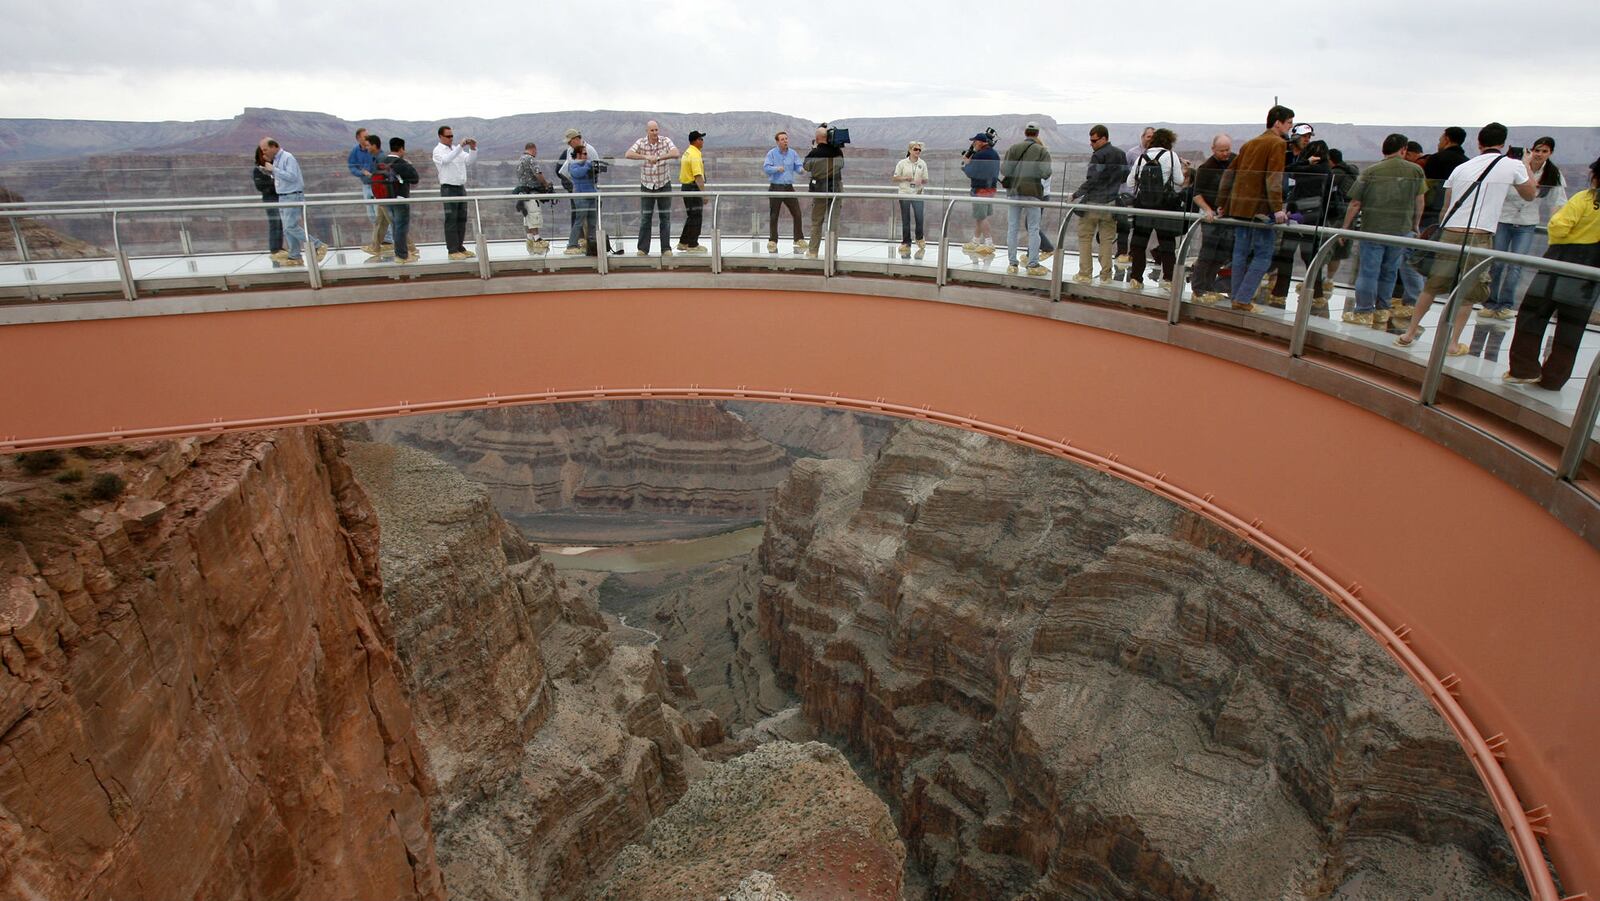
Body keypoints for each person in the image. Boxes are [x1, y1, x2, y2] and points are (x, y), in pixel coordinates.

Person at [1394, 122, 1537, 354]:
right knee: (1468, 293)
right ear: (1502, 144)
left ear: (1479, 143)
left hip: (1450, 232)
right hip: (1478, 236)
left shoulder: (1463, 167)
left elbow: (1446, 207)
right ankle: (1451, 343)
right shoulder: (1512, 165)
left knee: (1431, 286)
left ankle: (1409, 333)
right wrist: (1527, 165)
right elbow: (1531, 194)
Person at [1505, 157, 1600, 389]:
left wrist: (1562, 235)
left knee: (1533, 313)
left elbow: (1558, 226)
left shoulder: (1585, 199)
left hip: (1563, 260)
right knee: (1572, 324)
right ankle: (1554, 379)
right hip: (1592, 271)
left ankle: (1524, 369)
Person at [1338, 133, 1426, 326]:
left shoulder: (1371, 171)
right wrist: (1415, 225)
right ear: (1403, 149)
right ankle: (1382, 310)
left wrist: (1345, 227)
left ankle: (1363, 311)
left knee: (1369, 271)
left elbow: (1355, 203)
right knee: (1390, 271)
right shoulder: (1415, 171)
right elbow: (1420, 200)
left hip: (1373, 229)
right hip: (1401, 231)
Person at [1216, 105, 1294, 311]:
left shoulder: (1250, 144)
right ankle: (1243, 298)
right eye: (1289, 122)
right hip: (1260, 211)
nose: (1290, 127)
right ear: (1278, 122)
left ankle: (1237, 297)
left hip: (1239, 209)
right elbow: (1273, 177)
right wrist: (1277, 207)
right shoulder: (1276, 143)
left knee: (1240, 254)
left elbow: (1229, 175)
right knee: (1263, 255)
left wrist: (1222, 204)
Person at [1484, 136, 1567, 318]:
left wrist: (1557, 225)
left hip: (1527, 223)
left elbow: (1558, 201)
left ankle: (1506, 304)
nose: (1539, 154)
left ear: (1550, 153)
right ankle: (1490, 303)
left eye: (1544, 151)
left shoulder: (1553, 174)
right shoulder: (1516, 167)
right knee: (1496, 263)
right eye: (1537, 150)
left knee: (1516, 265)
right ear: (1531, 150)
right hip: (1504, 219)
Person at [1266, 138, 1334, 307]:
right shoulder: (1327, 170)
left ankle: (1280, 293)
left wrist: (1305, 162)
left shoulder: (1312, 169)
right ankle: (1316, 294)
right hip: (1312, 219)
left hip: (1297, 216)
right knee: (1309, 257)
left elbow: (1287, 169)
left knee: (1287, 255)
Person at [1124, 127, 1183, 290]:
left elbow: (1130, 182)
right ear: (1169, 142)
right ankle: (1168, 280)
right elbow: (1179, 180)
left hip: (1143, 204)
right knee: (1167, 243)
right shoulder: (1172, 156)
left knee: (1138, 243)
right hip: (1164, 206)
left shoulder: (1142, 157)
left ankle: (1136, 279)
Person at [258, 137, 326, 267]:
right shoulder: (277, 159)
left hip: (292, 196)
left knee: (291, 226)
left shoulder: (288, 157)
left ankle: (318, 245)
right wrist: (269, 172)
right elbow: (281, 177)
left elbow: (292, 176)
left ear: (274, 147)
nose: (264, 153)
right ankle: (295, 255)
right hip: (283, 196)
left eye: (265, 149)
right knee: (287, 229)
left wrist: (274, 169)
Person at [1071, 124, 1127, 283]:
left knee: (1085, 238)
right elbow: (1124, 177)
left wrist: (1076, 194)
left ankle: (1085, 274)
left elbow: (1092, 179)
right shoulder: (1121, 154)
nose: (1091, 144)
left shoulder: (1098, 155)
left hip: (1093, 203)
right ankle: (1106, 276)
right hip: (1111, 203)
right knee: (1107, 240)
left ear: (1104, 138)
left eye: (1094, 141)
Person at [1001, 123, 1052, 276]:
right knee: (1033, 229)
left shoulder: (1013, 148)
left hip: (1014, 192)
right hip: (1033, 193)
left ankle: (1012, 263)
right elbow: (1046, 173)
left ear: (1025, 132)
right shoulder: (1042, 151)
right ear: (1037, 134)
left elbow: (1005, 170)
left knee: (1012, 228)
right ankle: (1033, 263)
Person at [1187, 134, 1234, 301]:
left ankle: (1209, 286)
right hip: (1211, 218)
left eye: (1227, 150)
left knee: (1221, 254)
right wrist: (1208, 210)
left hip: (1228, 216)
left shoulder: (1234, 162)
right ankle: (1198, 288)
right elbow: (1196, 194)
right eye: (1221, 150)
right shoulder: (1206, 168)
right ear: (1213, 150)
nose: (1225, 153)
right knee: (1208, 252)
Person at [626, 120, 680, 256]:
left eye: (656, 130)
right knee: (646, 217)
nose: (655, 133)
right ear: (647, 131)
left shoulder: (665, 140)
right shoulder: (641, 142)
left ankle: (666, 248)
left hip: (664, 184)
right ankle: (643, 249)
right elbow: (628, 154)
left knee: (665, 218)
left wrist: (659, 157)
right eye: (652, 130)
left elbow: (675, 152)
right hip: (647, 185)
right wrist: (645, 156)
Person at [432, 125, 478, 260]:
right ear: (440, 137)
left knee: (461, 219)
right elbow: (446, 160)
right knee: (451, 219)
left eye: (452, 136)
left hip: (460, 187)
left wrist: (473, 148)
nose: (451, 138)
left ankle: (459, 246)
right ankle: (452, 250)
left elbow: (469, 161)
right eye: (448, 136)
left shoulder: (455, 150)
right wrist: (460, 147)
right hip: (448, 188)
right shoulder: (438, 151)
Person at [375, 137, 419, 264]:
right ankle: (402, 256)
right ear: (401, 148)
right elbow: (415, 178)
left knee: (395, 225)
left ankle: (399, 252)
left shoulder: (382, 161)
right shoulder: (401, 163)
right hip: (400, 198)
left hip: (385, 199)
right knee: (401, 226)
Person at [803, 125, 844, 259]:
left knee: (817, 222)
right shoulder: (838, 152)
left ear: (817, 138)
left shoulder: (814, 153)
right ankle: (832, 253)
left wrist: (814, 149)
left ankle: (813, 251)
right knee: (833, 223)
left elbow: (806, 167)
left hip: (820, 190)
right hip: (836, 189)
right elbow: (841, 165)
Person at [1116, 127, 1155, 263]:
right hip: (1128, 194)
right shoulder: (1132, 153)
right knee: (1124, 226)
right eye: (1148, 136)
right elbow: (1123, 172)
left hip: (1143, 198)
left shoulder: (1156, 155)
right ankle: (1121, 254)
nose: (1150, 139)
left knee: (1139, 228)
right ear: (1142, 137)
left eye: (1153, 137)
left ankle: (1133, 255)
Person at [762, 131, 806, 252]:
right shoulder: (771, 153)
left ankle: (798, 239)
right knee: (774, 214)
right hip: (776, 187)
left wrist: (801, 170)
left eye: (786, 139)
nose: (785, 141)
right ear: (777, 142)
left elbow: (797, 165)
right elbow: (766, 168)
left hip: (788, 187)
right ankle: (773, 240)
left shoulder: (792, 153)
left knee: (797, 213)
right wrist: (777, 168)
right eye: (782, 139)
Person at [960, 132, 1000, 254]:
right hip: (991, 188)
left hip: (980, 189)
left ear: (981, 142)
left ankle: (989, 243)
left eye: (975, 141)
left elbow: (971, 172)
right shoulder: (994, 154)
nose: (973, 144)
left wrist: (966, 164)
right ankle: (975, 241)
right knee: (980, 215)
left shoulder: (979, 155)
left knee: (981, 217)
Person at [359, 133, 394, 257]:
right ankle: (376, 246)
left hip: (384, 196)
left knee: (393, 222)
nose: (367, 148)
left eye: (368, 145)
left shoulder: (381, 158)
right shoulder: (376, 157)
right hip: (380, 195)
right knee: (380, 222)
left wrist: (370, 175)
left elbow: (385, 175)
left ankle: (410, 248)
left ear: (374, 145)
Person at [348, 127, 386, 240]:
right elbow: (351, 166)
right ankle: (381, 239)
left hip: (377, 185)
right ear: (358, 138)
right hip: (366, 185)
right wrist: (361, 172)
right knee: (371, 214)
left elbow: (382, 166)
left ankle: (386, 240)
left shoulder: (375, 151)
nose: (367, 138)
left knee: (380, 213)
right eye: (365, 137)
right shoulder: (355, 151)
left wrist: (373, 175)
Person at [893, 141, 930, 258]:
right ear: (909, 150)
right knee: (906, 219)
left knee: (919, 218)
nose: (918, 152)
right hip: (904, 193)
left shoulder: (922, 163)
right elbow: (895, 177)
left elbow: (926, 179)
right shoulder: (902, 163)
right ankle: (906, 242)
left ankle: (919, 238)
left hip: (918, 194)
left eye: (919, 150)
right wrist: (905, 178)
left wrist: (921, 181)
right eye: (915, 149)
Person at [514, 142, 552, 254]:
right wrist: (546, 185)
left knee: (528, 217)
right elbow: (538, 174)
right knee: (534, 215)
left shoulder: (520, 159)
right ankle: (537, 239)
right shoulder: (530, 159)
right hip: (531, 193)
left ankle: (530, 239)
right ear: (533, 149)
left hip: (523, 193)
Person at [564, 144, 600, 256]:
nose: (586, 156)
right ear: (578, 154)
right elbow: (577, 173)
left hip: (591, 195)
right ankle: (571, 245)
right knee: (579, 221)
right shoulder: (573, 165)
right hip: (581, 197)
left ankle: (592, 244)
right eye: (584, 154)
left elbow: (593, 177)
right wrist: (588, 166)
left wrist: (593, 169)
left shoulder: (587, 164)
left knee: (592, 222)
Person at [676, 130, 708, 254]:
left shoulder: (687, 152)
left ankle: (683, 242)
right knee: (696, 216)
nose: (702, 141)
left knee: (691, 216)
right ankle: (693, 245)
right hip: (693, 188)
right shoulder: (695, 155)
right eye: (701, 139)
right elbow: (698, 176)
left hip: (685, 187)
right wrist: (704, 194)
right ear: (695, 141)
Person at [251, 144, 282, 258]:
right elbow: (260, 186)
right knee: (275, 223)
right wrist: (275, 185)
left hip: (280, 198)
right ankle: (275, 249)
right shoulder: (259, 170)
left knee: (281, 224)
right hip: (270, 199)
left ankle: (279, 248)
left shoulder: (275, 167)